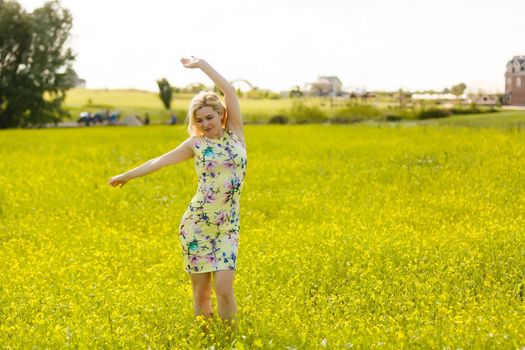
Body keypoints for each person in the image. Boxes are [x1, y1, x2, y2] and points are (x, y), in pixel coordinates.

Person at [107, 56, 247, 332]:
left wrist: (202, 65)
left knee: (225, 289)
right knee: (202, 293)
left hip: (228, 226)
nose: (206, 123)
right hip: (197, 225)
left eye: (210, 117)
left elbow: (229, 91)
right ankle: (206, 341)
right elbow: (159, 161)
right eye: (199, 120)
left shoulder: (236, 134)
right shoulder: (196, 144)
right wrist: (126, 176)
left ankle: (232, 341)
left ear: (222, 115)